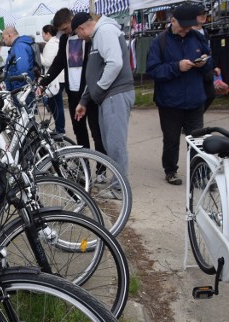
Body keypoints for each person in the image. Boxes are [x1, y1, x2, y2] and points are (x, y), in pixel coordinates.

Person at [147, 4, 212, 185]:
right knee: (171, 140)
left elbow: (209, 58)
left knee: (197, 141)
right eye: (183, 27)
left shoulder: (197, 38)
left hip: (195, 99)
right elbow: (152, 70)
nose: (185, 30)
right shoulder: (159, 41)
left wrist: (204, 63)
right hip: (169, 102)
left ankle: (199, 174)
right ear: (172, 20)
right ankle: (170, 170)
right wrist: (177, 67)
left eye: (189, 27)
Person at [73, 12, 135, 188]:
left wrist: (98, 89)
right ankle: (116, 183)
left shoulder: (104, 31)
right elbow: (95, 74)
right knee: (109, 143)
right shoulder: (97, 36)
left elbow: (115, 63)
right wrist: (85, 100)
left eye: (77, 34)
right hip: (107, 96)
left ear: (81, 28)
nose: (79, 37)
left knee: (115, 144)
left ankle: (118, 187)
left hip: (115, 94)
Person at [39, 8, 104, 163]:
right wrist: (43, 82)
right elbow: (58, 63)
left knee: (97, 132)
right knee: (79, 132)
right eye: (62, 31)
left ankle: (102, 168)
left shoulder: (89, 36)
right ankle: (84, 165)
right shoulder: (64, 40)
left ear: (73, 20)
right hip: (73, 93)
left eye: (66, 28)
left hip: (90, 92)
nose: (66, 32)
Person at [193, 5, 222, 111]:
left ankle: (196, 117)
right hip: (195, 69)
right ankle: (194, 120)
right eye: (200, 14)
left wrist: (214, 66)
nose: (204, 16)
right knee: (197, 97)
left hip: (207, 69)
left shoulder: (205, 31)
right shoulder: (189, 33)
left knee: (210, 94)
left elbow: (209, 51)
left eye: (205, 14)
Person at [40, 25, 66, 135]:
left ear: (47, 33)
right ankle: (60, 128)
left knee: (55, 105)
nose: (42, 35)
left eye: (42, 33)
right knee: (57, 104)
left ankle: (60, 129)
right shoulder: (57, 41)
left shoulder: (50, 45)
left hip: (55, 80)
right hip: (60, 78)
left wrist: (39, 55)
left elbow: (48, 62)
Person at [2, 26, 35, 93]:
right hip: (21, 88)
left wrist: (17, 90)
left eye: (3, 37)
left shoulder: (19, 46)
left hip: (20, 89)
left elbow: (23, 72)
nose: (3, 40)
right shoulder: (18, 45)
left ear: (9, 35)